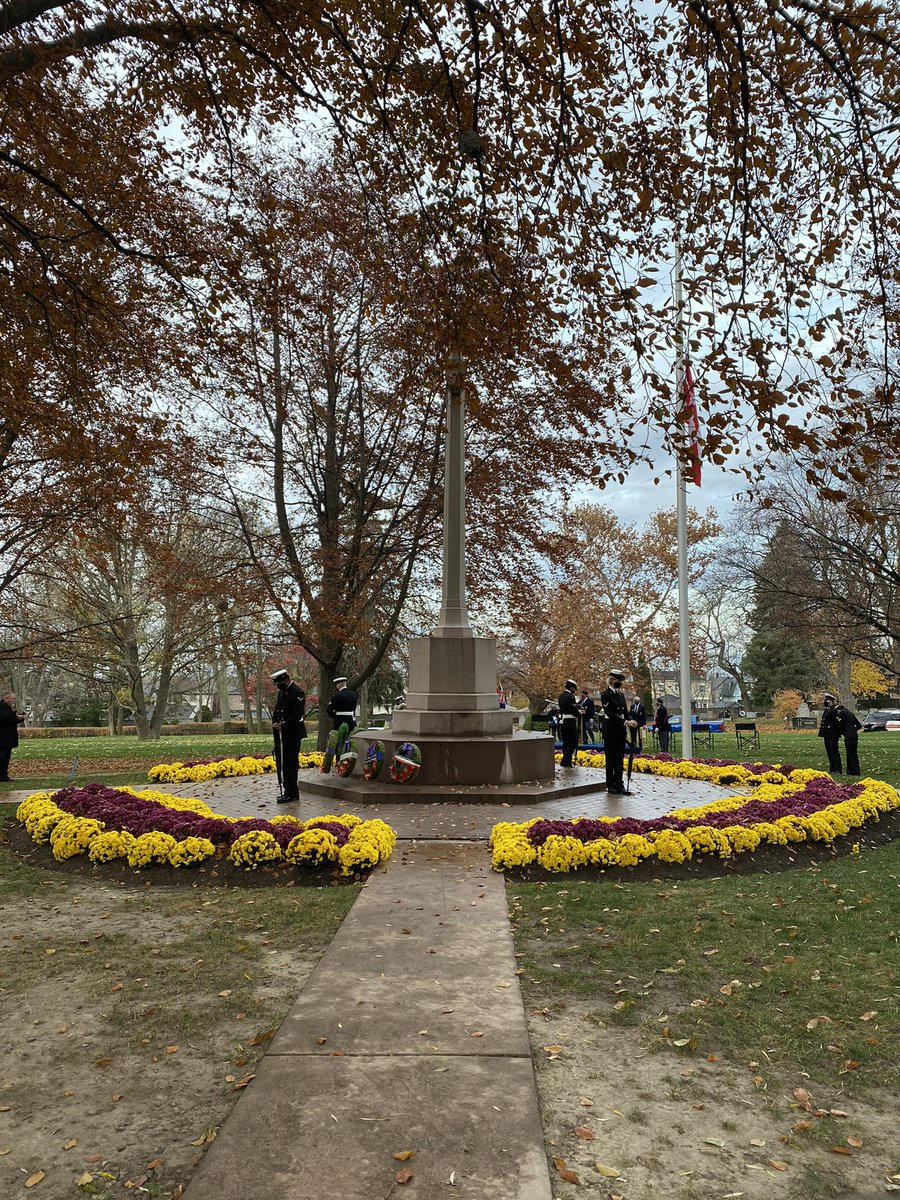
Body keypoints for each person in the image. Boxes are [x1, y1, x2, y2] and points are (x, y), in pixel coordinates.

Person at [271, 669, 306, 803]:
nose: (278, 685)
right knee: (283, 762)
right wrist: (274, 722)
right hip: (282, 733)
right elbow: (277, 710)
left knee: (290, 763)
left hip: (293, 732)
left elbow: (297, 714)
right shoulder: (281, 692)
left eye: (279, 682)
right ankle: (287, 790)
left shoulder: (297, 692)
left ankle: (292, 792)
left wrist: (283, 725)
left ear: (286, 679)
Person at [599, 669, 630, 793]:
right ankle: (610, 783)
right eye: (618, 681)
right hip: (610, 729)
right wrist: (625, 722)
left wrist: (632, 720)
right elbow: (609, 713)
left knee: (619, 758)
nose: (620, 683)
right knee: (610, 758)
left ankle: (619, 782)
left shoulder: (621, 695)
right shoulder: (605, 695)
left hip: (620, 730)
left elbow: (625, 713)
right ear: (612, 681)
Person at [0, 692, 25, 782]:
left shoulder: (7, 708)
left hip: (7, 737)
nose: (13, 701)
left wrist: (19, 718)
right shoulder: (1, 707)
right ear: (6, 698)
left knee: (6, 757)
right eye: (12, 699)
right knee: (2, 757)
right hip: (3, 737)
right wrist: (15, 716)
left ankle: (3, 775)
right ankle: (1, 775)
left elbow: (10, 721)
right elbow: (4, 719)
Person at [557, 678, 580, 768]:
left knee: (565, 743)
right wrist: (579, 714)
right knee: (572, 743)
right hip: (570, 722)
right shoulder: (570, 697)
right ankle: (565, 760)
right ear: (571, 688)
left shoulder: (561, 696)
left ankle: (566, 761)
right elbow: (572, 709)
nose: (574, 691)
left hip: (563, 722)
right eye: (574, 689)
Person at [834, 703, 863, 776]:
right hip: (854, 736)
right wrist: (853, 730)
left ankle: (851, 770)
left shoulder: (842, 713)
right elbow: (859, 725)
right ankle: (856, 770)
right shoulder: (851, 714)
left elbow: (841, 725)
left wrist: (841, 731)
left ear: (839, 710)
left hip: (848, 736)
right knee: (854, 753)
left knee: (849, 753)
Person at [817, 692, 843, 774]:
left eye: (826, 700)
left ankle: (838, 769)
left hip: (832, 734)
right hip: (826, 734)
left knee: (834, 751)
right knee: (829, 752)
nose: (825, 702)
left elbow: (838, 721)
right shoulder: (827, 709)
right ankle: (832, 768)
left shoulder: (835, 709)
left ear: (831, 701)